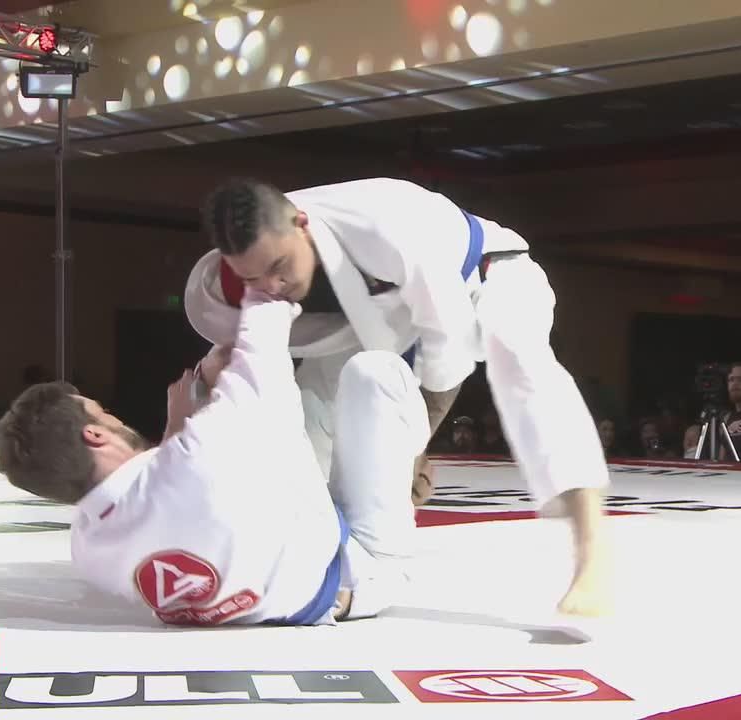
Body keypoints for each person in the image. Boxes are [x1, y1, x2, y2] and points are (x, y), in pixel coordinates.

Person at [185, 177, 609, 616]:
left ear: (301, 223)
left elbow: (448, 346)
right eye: (253, 277)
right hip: (381, 322)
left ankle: (592, 553)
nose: (273, 284)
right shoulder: (236, 279)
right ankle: (312, 555)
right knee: (310, 403)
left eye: (280, 266)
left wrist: (413, 452)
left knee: (519, 359)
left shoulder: (387, 225)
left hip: (486, 275)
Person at [0, 288, 430, 626]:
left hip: (290, 558)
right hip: (359, 570)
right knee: (373, 372)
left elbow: (156, 500)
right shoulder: (198, 455)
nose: (114, 416)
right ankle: (413, 466)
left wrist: (179, 425)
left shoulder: (89, 549)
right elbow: (263, 349)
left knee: (311, 401)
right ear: (93, 435)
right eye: (103, 413)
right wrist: (263, 279)